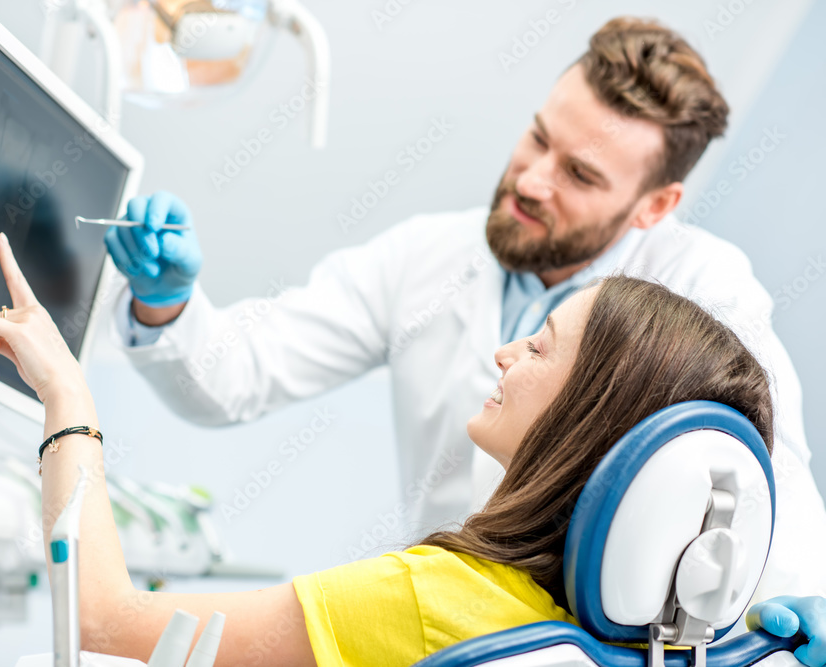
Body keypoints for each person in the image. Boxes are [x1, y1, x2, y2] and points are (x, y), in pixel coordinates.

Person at [103, 16, 826, 623]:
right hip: (446, 622)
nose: (533, 180)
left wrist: (799, 605)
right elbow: (238, 374)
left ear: (654, 205)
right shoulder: (428, 257)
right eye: (539, 138)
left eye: (580, 176)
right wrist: (163, 300)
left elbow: (769, 475)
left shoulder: (702, 286)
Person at [0, 235, 822, 667]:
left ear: (588, 418)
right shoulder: (626, 644)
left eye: (542, 345)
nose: (504, 353)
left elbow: (100, 619)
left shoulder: (433, 596)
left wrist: (66, 394)